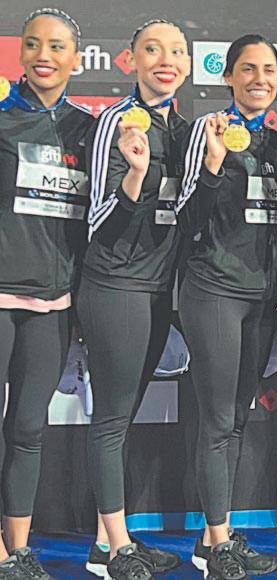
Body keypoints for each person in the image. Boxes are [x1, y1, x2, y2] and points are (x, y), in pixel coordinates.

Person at [78, 19, 189, 580]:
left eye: (176, 51)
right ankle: (118, 547)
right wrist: (136, 173)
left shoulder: (188, 131)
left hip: (158, 291)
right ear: (132, 60)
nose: (166, 60)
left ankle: (106, 544)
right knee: (112, 419)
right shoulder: (115, 123)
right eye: (153, 49)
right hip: (114, 284)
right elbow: (99, 218)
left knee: (123, 417)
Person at [176, 34, 277, 580]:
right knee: (218, 420)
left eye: (268, 70)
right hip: (214, 289)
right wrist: (214, 166)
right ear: (228, 76)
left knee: (238, 418)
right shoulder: (207, 132)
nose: (259, 79)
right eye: (248, 69)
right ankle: (217, 545)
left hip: (263, 296)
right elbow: (186, 219)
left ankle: (214, 534)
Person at [0, 9, 94, 579]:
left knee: (28, 430)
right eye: (33, 44)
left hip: (54, 304)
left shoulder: (88, 129)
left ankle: (18, 548)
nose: (44, 55)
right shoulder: (1, 116)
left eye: (57, 46)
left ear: (75, 59)